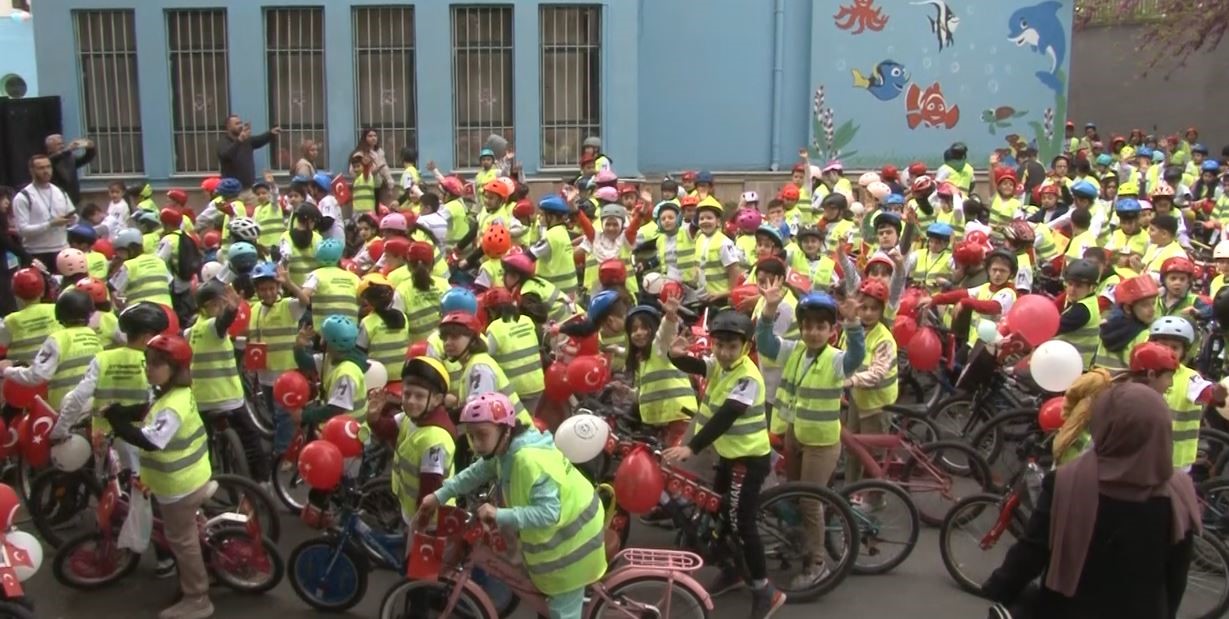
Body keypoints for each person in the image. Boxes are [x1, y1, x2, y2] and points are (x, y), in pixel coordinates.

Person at [981, 382, 1199, 619]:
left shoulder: (1067, 483)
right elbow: (1176, 574)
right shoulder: (1179, 493)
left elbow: (1032, 551)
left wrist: (1000, 586)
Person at [417, 392, 607, 619]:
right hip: (569, 530)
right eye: (470, 436)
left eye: (482, 435)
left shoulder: (525, 460)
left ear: (505, 430)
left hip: (574, 545)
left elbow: (549, 513)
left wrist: (499, 514)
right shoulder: (506, 450)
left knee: (561, 612)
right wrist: (438, 496)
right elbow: (476, 472)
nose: (476, 445)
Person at [661, 299, 787, 618]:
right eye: (719, 345)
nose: (724, 352)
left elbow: (726, 416)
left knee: (740, 524)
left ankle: (765, 590)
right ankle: (733, 570)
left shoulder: (747, 378)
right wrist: (675, 356)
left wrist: (692, 447)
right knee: (719, 516)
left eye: (732, 346)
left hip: (748, 459)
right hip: (729, 457)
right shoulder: (721, 364)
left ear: (746, 347)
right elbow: (697, 365)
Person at [102, 334, 216, 619]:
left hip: (180, 485)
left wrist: (118, 422)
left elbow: (150, 440)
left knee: (182, 540)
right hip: (191, 474)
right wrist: (119, 412)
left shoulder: (173, 406)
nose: (149, 368)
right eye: (147, 362)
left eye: (157, 364)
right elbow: (146, 409)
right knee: (187, 533)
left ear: (175, 368)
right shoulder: (167, 393)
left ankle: (198, 598)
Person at [392, 356, 457, 527]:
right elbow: (388, 429)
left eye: (420, 396)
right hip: (412, 511)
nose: (411, 401)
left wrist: (420, 524)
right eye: (407, 394)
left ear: (436, 400)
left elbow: (431, 485)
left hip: (430, 522)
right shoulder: (412, 418)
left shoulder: (435, 440)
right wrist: (374, 417)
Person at [13, 154, 76, 267]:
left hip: (62, 250)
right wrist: (50, 224)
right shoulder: (23, 197)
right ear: (32, 170)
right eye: (41, 168)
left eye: (48, 167)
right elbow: (22, 230)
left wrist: (72, 219)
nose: (46, 171)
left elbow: (74, 217)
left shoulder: (60, 191)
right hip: (36, 253)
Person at [216, 114, 281, 189]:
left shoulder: (246, 141)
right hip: (232, 190)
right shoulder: (223, 142)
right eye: (237, 124)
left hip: (249, 188)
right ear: (228, 127)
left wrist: (271, 133)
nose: (240, 125)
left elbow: (259, 140)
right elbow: (226, 155)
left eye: (240, 123)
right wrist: (239, 141)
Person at [45, 133, 96, 205]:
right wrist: (68, 150)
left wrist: (90, 149)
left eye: (62, 143)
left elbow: (85, 159)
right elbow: (54, 158)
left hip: (73, 198)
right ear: (50, 148)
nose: (62, 146)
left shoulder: (69, 158)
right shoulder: (47, 161)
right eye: (58, 144)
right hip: (57, 199)